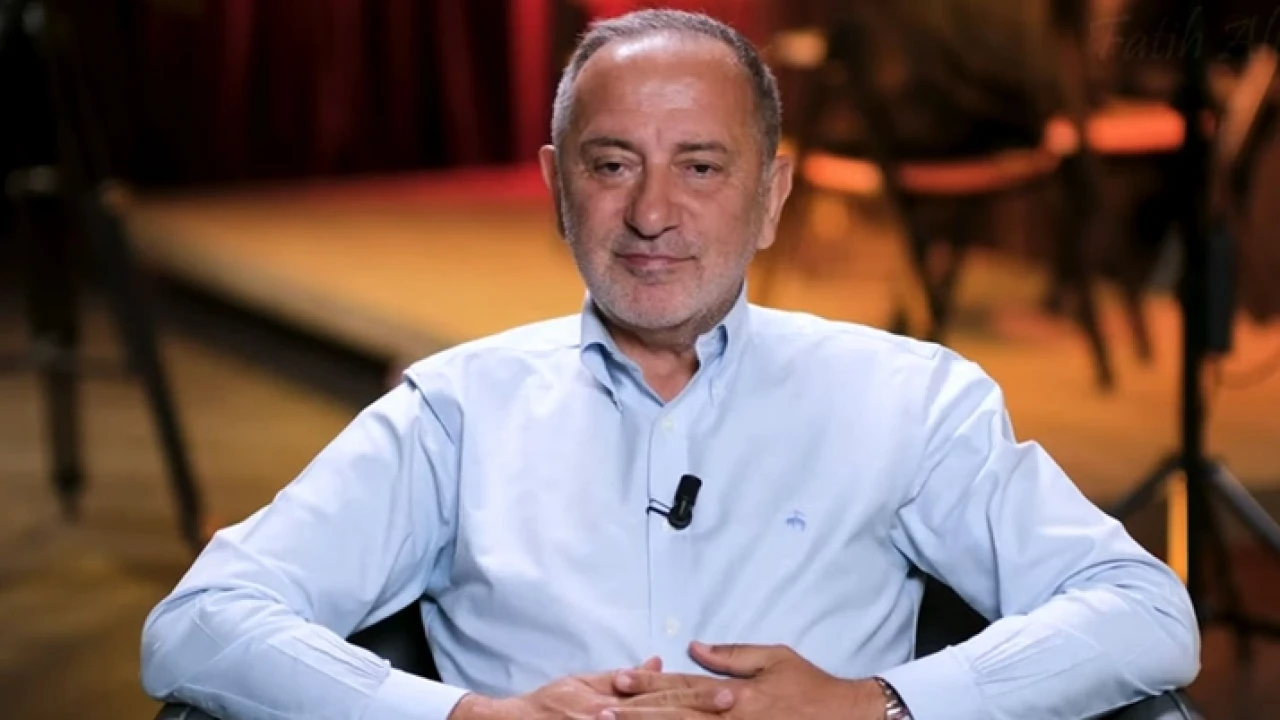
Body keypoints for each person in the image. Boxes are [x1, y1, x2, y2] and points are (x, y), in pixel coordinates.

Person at [139, 9, 1200, 720]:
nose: (652, 214)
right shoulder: (456, 410)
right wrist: (465, 716)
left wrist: (875, 704)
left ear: (772, 196)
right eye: (612, 166)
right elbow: (198, 626)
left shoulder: (909, 399)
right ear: (557, 190)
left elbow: (1144, 613)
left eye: (700, 167)